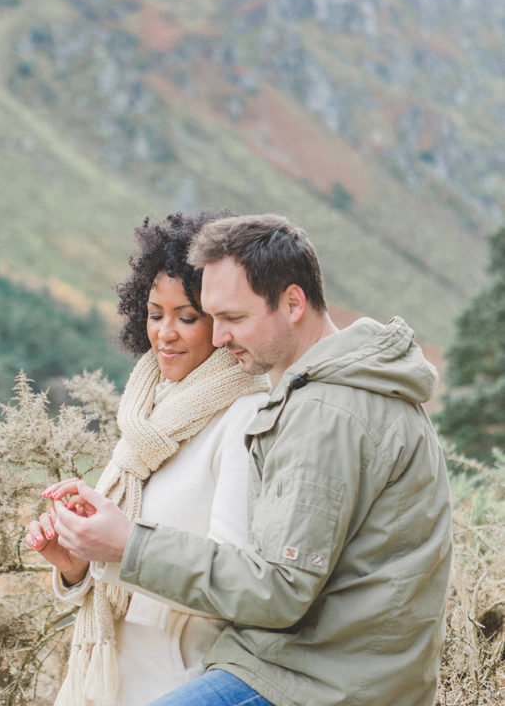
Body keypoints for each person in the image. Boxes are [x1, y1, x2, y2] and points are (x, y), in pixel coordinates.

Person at [46, 213, 453, 706]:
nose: (218, 338)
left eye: (233, 319)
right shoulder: (322, 394)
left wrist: (129, 545)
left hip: (315, 681)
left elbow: (278, 590)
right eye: (213, 318)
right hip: (301, 664)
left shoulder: (326, 412)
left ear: (293, 302)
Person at [26, 211, 269, 706]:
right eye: (156, 314)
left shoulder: (245, 418)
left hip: (182, 684)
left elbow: (235, 583)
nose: (166, 334)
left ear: (222, 324)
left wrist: (119, 547)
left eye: (187, 317)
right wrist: (76, 564)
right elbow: (118, 568)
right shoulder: (146, 415)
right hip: (106, 679)